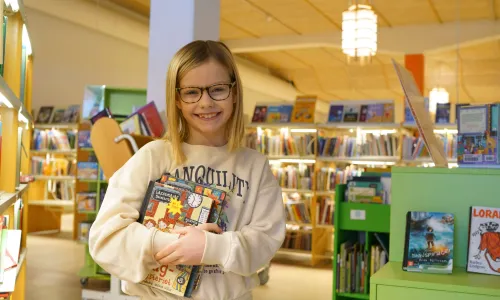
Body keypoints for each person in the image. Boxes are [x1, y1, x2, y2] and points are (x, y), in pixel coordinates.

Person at [88, 40, 286, 300]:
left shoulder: (255, 167)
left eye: (217, 89)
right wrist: (171, 244)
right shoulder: (152, 157)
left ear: (234, 93)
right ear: (177, 99)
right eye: (192, 92)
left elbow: (266, 241)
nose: (206, 102)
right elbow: (105, 239)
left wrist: (210, 248)